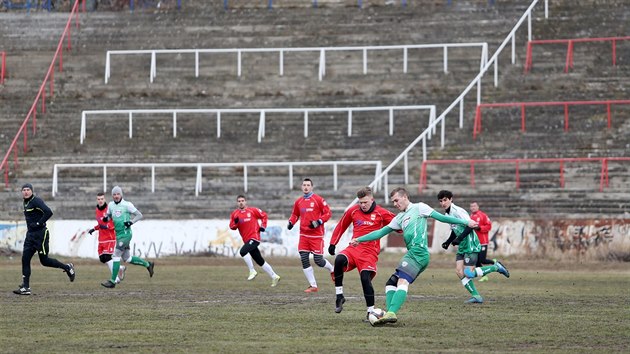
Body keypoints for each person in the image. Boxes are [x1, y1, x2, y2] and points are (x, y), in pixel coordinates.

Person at [350, 187, 478, 325]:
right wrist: (359, 239)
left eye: (396, 200)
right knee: (390, 284)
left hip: (419, 253)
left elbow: (442, 217)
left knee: (402, 282)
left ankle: (391, 313)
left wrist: (466, 222)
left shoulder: (419, 208)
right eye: (393, 202)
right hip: (414, 254)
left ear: (405, 197)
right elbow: (380, 232)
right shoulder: (399, 217)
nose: (395, 204)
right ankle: (389, 313)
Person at [329, 186, 396, 319]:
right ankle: (339, 296)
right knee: (339, 260)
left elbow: (398, 224)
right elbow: (341, 226)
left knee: (365, 278)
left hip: (369, 252)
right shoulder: (353, 211)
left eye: (365, 202)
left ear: (372, 199)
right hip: (354, 249)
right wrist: (333, 243)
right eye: (360, 202)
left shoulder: (381, 213)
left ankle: (370, 311)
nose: (363, 205)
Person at [437, 190, 509, 304]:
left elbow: (471, 225)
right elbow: (455, 229)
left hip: (470, 243)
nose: (443, 203)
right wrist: (448, 241)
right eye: (441, 201)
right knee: (459, 271)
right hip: (462, 245)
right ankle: (476, 296)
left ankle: (496, 267)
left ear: (451, 199)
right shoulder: (447, 214)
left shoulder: (458, 211)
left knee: (469, 273)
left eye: (445, 200)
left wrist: (459, 239)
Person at [13, 183, 76, 295]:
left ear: (32, 191)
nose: (26, 191)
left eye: (28, 189)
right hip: (30, 235)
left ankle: (67, 267)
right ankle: (26, 287)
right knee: (25, 259)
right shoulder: (25, 202)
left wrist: (38, 223)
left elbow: (48, 212)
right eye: (24, 190)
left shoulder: (36, 201)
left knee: (44, 261)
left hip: (41, 234)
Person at [101, 186, 154, 288]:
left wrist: (131, 222)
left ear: (121, 195)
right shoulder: (111, 205)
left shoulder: (127, 205)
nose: (116, 196)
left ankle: (113, 281)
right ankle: (148, 265)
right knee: (127, 258)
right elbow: (109, 216)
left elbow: (139, 215)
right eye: (114, 194)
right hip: (119, 234)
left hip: (126, 235)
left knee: (115, 255)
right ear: (112, 196)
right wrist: (106, 218)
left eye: (118, 194)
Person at [287, 178, 334, 293]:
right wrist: (291, 222)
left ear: (312, 187)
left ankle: (332, 269)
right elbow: (295, 214)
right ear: (302, 187)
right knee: (304, 259)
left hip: (316, 236)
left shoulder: (318, 200)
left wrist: (318, 222)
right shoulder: (298, 202)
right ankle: (313, 285)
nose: (306, 187)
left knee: (318, 260)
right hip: (303, 235)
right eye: (304, 185)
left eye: (308, 185)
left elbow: (328, 213)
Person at [229, 195, 281, 287]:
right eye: (239, 201)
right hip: (247, 240)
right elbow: (232, 227)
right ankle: (274, 276)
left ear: (246, 202)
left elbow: (264, 215)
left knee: (243, 251)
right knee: (259, 260)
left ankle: (252, 271)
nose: (241, 202)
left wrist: (263, 226)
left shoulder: (253, 210)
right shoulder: (235, 214)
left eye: (242, 200)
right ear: (237, 203)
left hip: (254, 237)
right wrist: (236, 223)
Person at [87, 192, 125, 285]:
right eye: (99, 199)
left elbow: (115, 222)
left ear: (105, 199)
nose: (100, 201)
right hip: (101, 238)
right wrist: (94, 228)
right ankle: (119, 268)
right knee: (102, 259)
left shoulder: (110, 209)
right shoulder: (97, 210)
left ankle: (115, 279)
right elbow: (100, 223)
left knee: (107, 257)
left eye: (102, 199)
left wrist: (108, 226)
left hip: (110, 237)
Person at [469, 201, 494, 282]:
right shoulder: (470, 216)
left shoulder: (482, 215)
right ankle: (484, 276)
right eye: (471, 206)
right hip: (475, 243)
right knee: (476, 261)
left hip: (483, 241)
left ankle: (494, 262)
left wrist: (480, 228)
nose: (473, 207)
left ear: (478, 207)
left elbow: (489, 226)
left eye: (474, 206)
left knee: (482, 260)